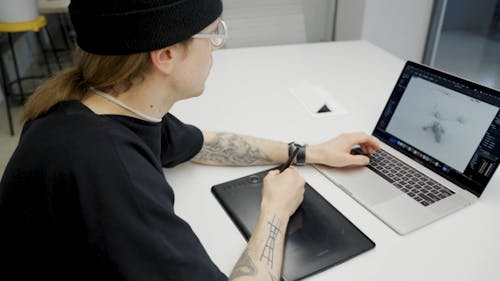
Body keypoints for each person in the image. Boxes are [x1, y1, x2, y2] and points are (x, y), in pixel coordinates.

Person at [0, 0, 380, 280]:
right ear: (165, 55)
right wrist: (276, 212)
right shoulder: (110, 169)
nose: (216, 47)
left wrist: (308, 152)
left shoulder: (95, 104)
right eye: (212, 34)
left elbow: (201, 143)